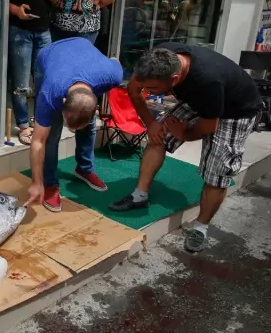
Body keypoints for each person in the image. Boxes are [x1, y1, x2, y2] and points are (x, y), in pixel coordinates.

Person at [110, 44, 262, 253]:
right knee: (157, 138)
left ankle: (201, 227)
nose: (147, 92)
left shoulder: (207, 80)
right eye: (146, 87)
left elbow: (209, 126)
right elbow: (133, 89)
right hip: (199, 102)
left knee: (217, 172)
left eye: (153, 89)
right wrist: (150, 123)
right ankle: (139, 197)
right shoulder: (155, 61)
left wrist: (185, 134)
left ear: (173, 80)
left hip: (234, 111)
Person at [25, 37, 123, 211]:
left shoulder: (112, 75)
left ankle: (84, 168)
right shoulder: (51, 92)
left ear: (96, 110)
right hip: (49, 55)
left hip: (82, 45)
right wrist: (36, 182)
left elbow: (115, 61)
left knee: (88, 126)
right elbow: (38, 141)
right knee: (51, 135)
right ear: (62, 102)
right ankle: (49, 183)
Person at [8, 0, 61, 146]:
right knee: (20, 81)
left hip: (43, 30)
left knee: (43, 79)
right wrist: (15, 10)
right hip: (20, 29)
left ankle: (40, 119)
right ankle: (22, 124)